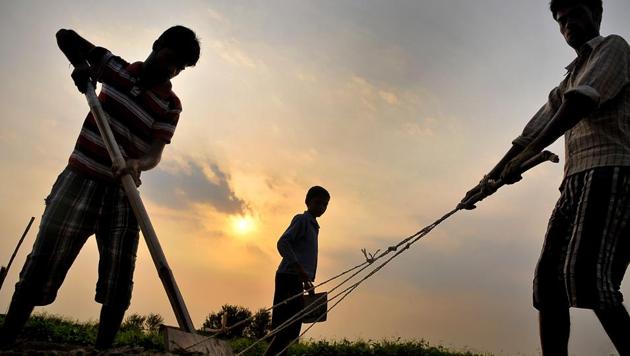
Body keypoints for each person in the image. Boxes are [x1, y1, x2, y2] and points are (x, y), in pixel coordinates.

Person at [0, 26, 200, 349]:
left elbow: (154, 152)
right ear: (156, 45)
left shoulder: (170, 105)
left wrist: (138, 164)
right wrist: (80, 67)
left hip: (124, 195)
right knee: (41, 264)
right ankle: (6, 341)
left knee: (118, 283)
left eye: (179, 68)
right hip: (80, 179)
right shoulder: (114, 68)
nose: (170, 69)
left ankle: (102, 350)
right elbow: (64, 36)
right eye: (170, 58)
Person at [461, 1, 629, 354]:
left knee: (587, 278)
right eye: (560, 19)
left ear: (596, 13)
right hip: (573, 183)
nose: (567, 24)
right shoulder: (568, 79)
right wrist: (485, 183)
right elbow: (529, 134)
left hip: (612, 172)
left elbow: (581, 103)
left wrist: (523, 157)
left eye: (575, 14)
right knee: (548, 287)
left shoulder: (613, 47)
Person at [264, 186, 330, 356]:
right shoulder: (302, 220)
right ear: (307, 202)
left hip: (297, 280)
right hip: (288, 277)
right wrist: (299, 270)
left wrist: (307, 281)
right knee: (285, 330)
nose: (321, 207)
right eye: (317, 203)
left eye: (325, 205)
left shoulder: (313, 226)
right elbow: (283, 243)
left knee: (291, 332)